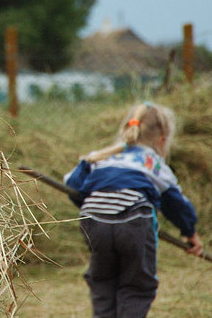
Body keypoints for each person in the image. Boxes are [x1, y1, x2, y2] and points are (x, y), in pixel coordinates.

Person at [64, 101, 203, 318]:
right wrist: (190, 232)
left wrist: (99, 206)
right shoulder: (154, 164)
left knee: (102, 281)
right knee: (136, 286)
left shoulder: (100, 156)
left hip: (94, 221)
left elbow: (72, 184)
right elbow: (176, 204)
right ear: (162, 140)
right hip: (134, 221)